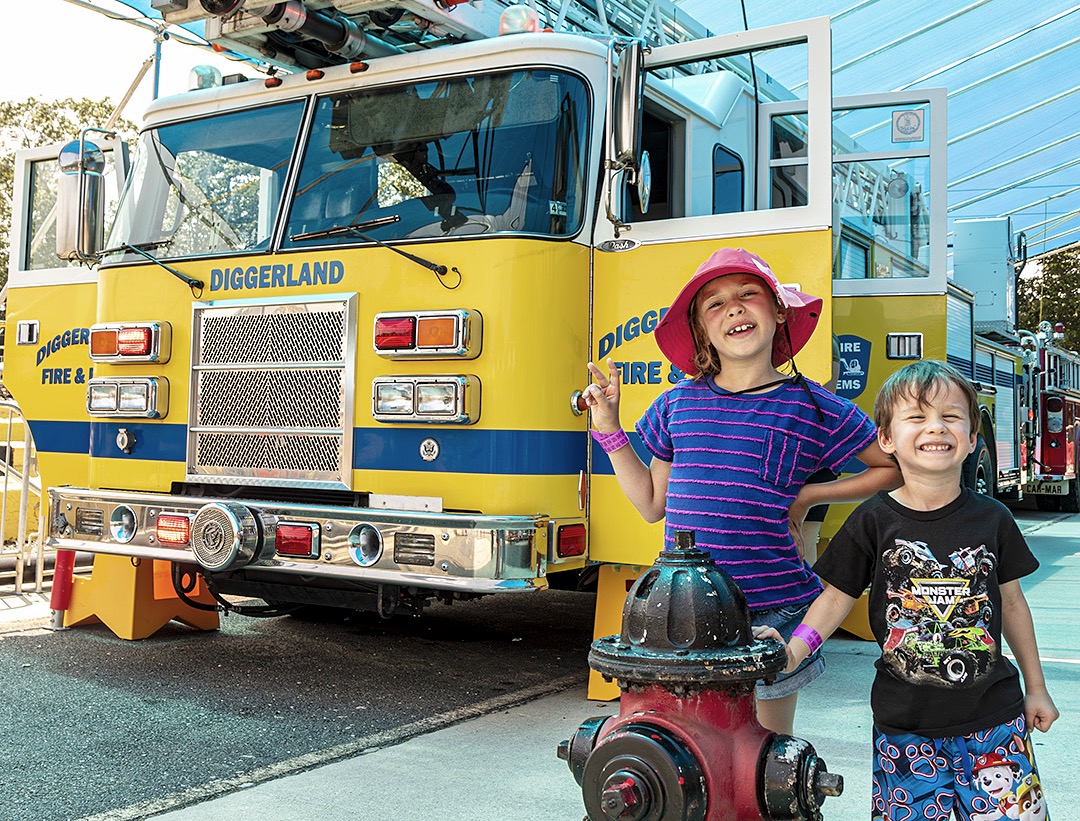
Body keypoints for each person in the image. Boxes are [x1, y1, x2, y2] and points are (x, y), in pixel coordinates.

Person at [583, 247, 902, 734]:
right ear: (702, 331)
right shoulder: (677, 404)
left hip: (775, 611)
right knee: (695, 748)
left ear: (778, 312)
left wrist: (809, 497)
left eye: (747, 294)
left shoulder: (815, 407)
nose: (733, 308)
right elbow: (651, 505)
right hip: (684, 611)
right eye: (714, 303)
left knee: (766, 752)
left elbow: (892, 469)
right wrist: (609, 429)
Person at [756, 359, 1058, 820]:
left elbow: (1013, 604)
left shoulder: (994, 519)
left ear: (973, 438)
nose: (935, 427)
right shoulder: (873, 522)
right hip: (904, 730)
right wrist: (795, 652)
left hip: (996, 721)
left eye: (952, 416)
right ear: (886, 439)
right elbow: (834, 599)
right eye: (916, 417)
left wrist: (1036, 688)